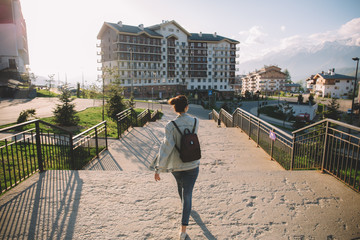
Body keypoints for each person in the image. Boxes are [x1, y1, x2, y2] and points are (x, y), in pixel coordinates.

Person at [152, 95, 200, 240]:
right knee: (187, 193)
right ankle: (183, 231)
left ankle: (185, 210)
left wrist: (158, 168)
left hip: (177, 166)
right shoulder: (195, 122)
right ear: (187, 107)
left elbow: (166, 148)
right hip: (192, 164)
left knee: (182, 188)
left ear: (174, 108)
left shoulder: (170, 125)